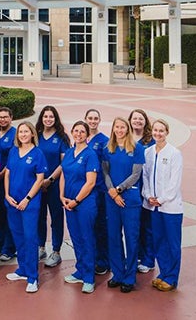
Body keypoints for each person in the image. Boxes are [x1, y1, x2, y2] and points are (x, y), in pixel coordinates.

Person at [102, 117, 145, 293]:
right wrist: (112, 191)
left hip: (129, 199)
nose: (119, 130)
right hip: (112, 198)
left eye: (122, 127)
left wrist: (119, 189)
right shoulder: (108, 149)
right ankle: (118, 274)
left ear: (127, 129)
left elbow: (136, 174)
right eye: (116, 127)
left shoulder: (137, 148)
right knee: (113, 237)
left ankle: (129, 277)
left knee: (131, 238)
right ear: (113, 129)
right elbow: (104, 171)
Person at [4, 121, 47, 293]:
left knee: (30, 238)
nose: (23, 134)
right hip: (12, 201)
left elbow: (39, 179)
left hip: (29, 203)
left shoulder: (38, 154)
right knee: (18, 236)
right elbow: (7, 173)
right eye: (20, 132)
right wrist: (7, 195)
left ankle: (32, 277)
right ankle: (22, 269)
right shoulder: (13, 151)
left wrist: (28, 198)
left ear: (32, 134)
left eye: (26, 131)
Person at [142, 119, 183, 292]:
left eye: (161, 130)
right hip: (153, 206)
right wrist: (149, 195)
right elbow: (145, 176)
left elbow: (175, 181)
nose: (158, 133)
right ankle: (163, 273)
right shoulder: (148, 152)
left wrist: (163, 198)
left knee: (172, 242)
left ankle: (171, 277)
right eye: (155, 130)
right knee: (158, 241)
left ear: (167, 132)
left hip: (170, 207)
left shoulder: (174, 153)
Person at [60, 121, 99, 294]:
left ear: (87, 135)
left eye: (82, 131)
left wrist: (76, 200)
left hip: (84, 204)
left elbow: (90, 183)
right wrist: (62, 196)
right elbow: (63, 175)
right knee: (75, 238)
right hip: (68, 203)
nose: (79, 134)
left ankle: (89, 277)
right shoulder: (69, 153)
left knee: (87, 238)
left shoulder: (90, 155)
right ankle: (80, 270)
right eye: (76, 131)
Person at [36, 105, 70, 268]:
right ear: (41, 118)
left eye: (51, 116)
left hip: (54, 184)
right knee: (39, 217)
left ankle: (56, 251)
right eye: (45, 116)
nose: (48, 119)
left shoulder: (62, 138)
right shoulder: (36, 136)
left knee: (56, 218)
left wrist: (49, 180)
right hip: (36, 185)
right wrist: (39, 182)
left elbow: (64, 163)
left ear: (55, 119)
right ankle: (41, 247)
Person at [129, 108, 156, 274]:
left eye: (140, 119)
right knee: (133, 225)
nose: (137, 121)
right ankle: (137, 255)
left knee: (147, 224)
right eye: (134, 119)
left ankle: (148, 259)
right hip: (130, 187)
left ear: (145, 121)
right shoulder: (125, 138)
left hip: (145, 187)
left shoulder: (150, 141)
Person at [0, 107, 17, 261]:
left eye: (5, 117)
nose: (2, 120)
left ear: (11, 118)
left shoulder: (14, 135)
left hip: (7, 179)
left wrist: (2, 174)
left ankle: (9, 247)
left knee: (8, 213)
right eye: (0, 117)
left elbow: (13, 157)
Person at [85, 108, 110, 275]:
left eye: (95, 118)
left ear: (99, 120)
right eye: (90, 118)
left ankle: (103, 260)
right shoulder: (80, 138)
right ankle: (90, 259)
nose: (92, 121)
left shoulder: (104, 141)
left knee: (101, 226)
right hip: (85, 190)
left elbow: (107, 167)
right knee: (88, 227)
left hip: (99, 189)